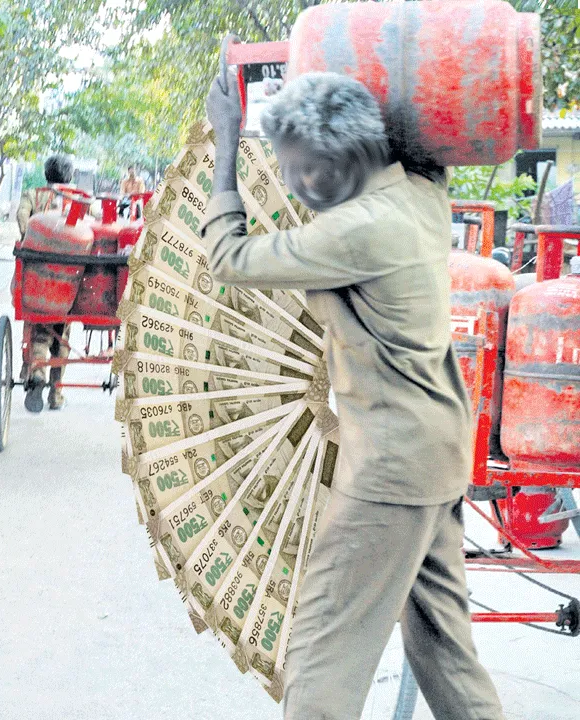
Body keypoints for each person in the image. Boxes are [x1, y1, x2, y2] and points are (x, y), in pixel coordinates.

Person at [203, 71, 503, 719]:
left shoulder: (356, 230)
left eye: (299, 169)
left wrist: (226, 141)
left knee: (324, 651)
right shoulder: (422, 194)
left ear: (338, 163)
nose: (294, 185)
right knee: (444, 650)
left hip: (391, 470)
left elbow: (229, 259)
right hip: (438, 456)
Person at [15, 154, 75, 412]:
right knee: (63, 333)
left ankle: (37, 373)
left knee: (38, 326)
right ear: (70, 176)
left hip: (37, 274)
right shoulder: (79, 198)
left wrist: (31, 239)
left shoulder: (32, 194)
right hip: (70, 278)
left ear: (46, 173)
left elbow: (21, 217)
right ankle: (55, 394)